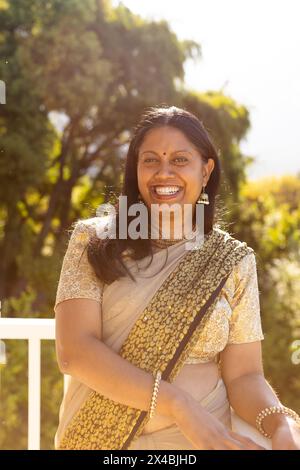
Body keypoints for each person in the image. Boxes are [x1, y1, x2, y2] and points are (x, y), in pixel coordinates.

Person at [54, 105, 300, 450]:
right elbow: (75, 352)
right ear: (135, 169)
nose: (163, 173)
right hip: (106, 443)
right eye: (150, 160)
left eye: (180, 160)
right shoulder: (94, 241)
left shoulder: (233, 260)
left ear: (206, 169)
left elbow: (244, 375)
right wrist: (178, 405)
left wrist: (281, 422)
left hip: (204, 443)